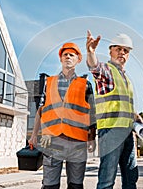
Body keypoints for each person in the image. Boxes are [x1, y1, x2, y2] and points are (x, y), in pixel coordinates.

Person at [28, 42, 96, 189]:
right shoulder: (49, 82)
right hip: (49, 139)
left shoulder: (85, 84)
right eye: (65, 54)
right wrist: (34, 134)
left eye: (72, 55)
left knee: (76, 185)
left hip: (77, 140)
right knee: (49, 185)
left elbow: (92, 114)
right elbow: (41, 109)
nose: (68, 57)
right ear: (60, 58)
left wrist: (92, 138)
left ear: (78, 60)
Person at [86, 30, 138, 189]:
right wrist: (91, 52)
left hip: (128, 132)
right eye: (118, 49)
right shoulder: (107, 70)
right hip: (111, 131)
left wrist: (135, 116)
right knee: (107, 180)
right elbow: (95, 68)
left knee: (131, 179)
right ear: (110, 51)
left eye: (126, 50)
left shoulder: (126, 78)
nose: (122, 52)